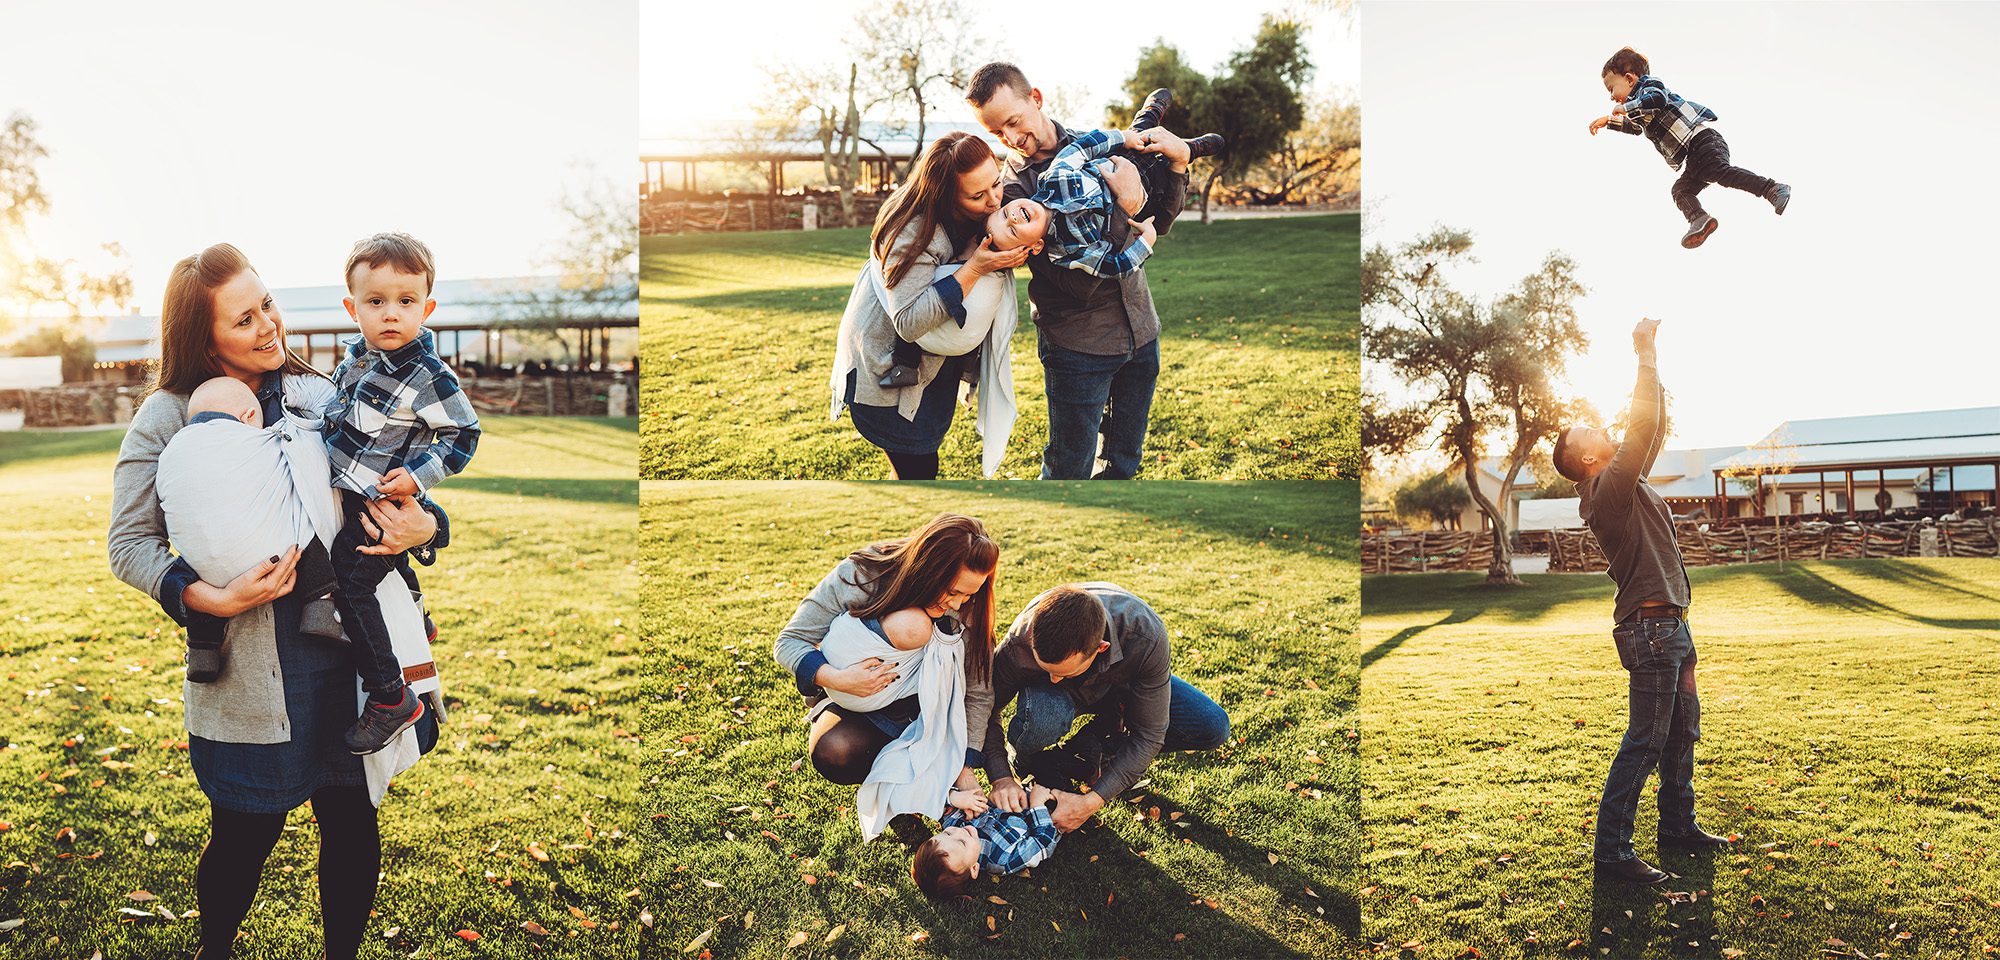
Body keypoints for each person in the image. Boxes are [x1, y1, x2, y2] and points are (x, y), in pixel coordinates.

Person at [108, 243, 445, 959]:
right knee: (243, 835)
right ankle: (216, 950)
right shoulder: (166, 418)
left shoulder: (319, 395)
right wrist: (209, 598)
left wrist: (431, 524)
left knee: (353, 824)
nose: (268, 326)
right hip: (250, 672)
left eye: (267, 304)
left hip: (350, 658)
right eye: (244, 319)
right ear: (203, 339)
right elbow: (129, 543)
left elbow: (389, 485)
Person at [1551, 317, 1733, 885]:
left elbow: (1649, 433)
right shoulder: (1606, 492)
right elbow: (1642, 426)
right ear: (1586, 459)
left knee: (1682, 732)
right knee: (1646, 740)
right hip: (1650, 631)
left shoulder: (1625, 485)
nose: (1598, 426)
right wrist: (1644, 351)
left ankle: (1678, 827)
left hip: (1674, 627)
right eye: (1588, 429)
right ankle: (1612, 855)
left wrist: (1654, 362)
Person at [968, 62, 1191, 479]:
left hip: (1142, 332)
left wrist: (1177, 166)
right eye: (998, 133)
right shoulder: (1016, 200)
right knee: (1069, 467)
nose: (1012, 139)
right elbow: (1077, 285)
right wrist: (1124, 209)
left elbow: (1156, 221)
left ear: (1035, 98)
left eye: (1013, 122)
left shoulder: (1093, 146)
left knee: (1124, 463)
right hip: (1078, 348)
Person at [322, 232, 481, 755]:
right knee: (367, 569)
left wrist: (418, 477)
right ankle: (415, 613)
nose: (391, 314)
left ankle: (391, 697)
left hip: (384, 503)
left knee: (350, 580)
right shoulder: (355, 363)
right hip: (351, 494)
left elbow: (465, 433)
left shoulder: (428, 376)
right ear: (352, 308)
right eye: (376, 301)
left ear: (427, 307)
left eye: (406, 301)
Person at [828, 132, 1031, 479]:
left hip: (932, 367)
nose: (995, 201)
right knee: (918, 468)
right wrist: (976, 267)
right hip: (887, 370)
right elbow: (908, 321)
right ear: (945, 196)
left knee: (920, 463)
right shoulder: (911, 228)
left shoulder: (987, 206)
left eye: (996, 184)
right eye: (977, 195)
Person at [772, 514, 998, 799]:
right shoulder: (863, 574)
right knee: (836, 751)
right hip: (855, 696)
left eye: (967, 595)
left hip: (927, 709)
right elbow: (789, 641)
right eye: (953, 591)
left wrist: (965, 762)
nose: (957, 603)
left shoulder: (969, 607)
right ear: (928, 569)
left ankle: (910, 786)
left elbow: (979, 691)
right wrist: (840, 679)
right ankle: (887, 787)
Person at [976, 583, 1230, 833]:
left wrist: (1090, 802)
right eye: (1047, 670)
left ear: (1101, 648)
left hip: (1126, 689)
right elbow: (985, 709)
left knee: (1211, 725)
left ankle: (1091, 747)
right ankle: (1029, 761)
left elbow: (1150, 735)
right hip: (1056, 700)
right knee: (1042, 717)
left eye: (1063, 672)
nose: (1053, 678)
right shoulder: (1019, 643)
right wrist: (1001, 777)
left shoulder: (1145, 635)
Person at [1588, 46, 1791, 249]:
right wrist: (1609, 121)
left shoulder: (1649, 86)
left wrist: (1626, 107)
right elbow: (1636, 128)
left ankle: (1771, 188)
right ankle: (1699, 219)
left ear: (1630, 79)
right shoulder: (1640, 109)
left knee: (1717, 172)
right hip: (1693, 154)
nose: (1611, 96)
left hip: (1703, 140)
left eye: (1611, 88)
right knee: (1680, 190)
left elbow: (1658, 99)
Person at [912, 782, 1062, 899]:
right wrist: (1037, 804)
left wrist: (953, 797)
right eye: (962, 843)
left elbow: (935, 797)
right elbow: (1043, 843)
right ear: (974, 869)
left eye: (947, 834)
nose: (960, 831)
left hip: (1019, 790)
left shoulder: (954, 823)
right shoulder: (1002, 859)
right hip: (1050, 807)